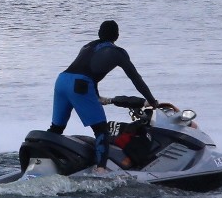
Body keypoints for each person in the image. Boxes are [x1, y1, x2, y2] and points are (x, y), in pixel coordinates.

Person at [49, 20, 158, 174]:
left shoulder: (87, 46)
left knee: (57, 128)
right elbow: (136, 78)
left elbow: (87, 70)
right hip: (80, 84)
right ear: (117, 35)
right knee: (101, 130)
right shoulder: (118, 53)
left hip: (61, 80)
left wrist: (97, 96)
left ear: (99, 34)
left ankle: (44, 159)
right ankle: (101, 169)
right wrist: (151, 100)